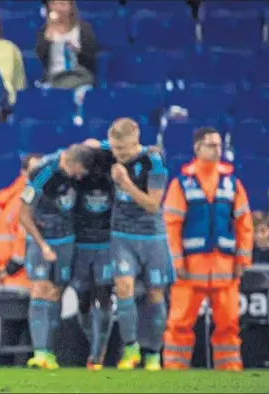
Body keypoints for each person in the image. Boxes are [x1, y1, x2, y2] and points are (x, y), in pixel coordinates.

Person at [163, 127, 253, 371]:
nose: (217, 150)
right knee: (179, 323)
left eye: (219, 145)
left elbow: (244, 223)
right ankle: (173, 370)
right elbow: (171, 225)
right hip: (190, 269)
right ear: (197, 148)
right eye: (211, 145)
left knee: (229, 324)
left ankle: (230, 370)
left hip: (225, 269)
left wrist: (243, 260)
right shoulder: (181, 183)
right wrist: (177, 262)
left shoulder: (232, 183)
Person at [85, 118, 171, 371]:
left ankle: (154, 352)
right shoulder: (112, 152)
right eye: (114, 149)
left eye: (122, 150)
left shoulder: (153, 162)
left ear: (136, 139)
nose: (118, 155)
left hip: (151, 237)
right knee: (123, 288)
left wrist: (126, 184)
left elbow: (154, 205)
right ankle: (131, 347)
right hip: (122, 235)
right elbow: (89, 144)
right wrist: (95, 146)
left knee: (156, 295)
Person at [19, 144, 98, 369]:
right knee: (39, 290)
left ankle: (49, 352)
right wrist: (43, 245)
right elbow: (23, 214)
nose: (80, 177)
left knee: (56, 292)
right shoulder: (42, 172)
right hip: (41, 239)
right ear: (70, 163)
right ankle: (40, 352)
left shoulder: (78, 169)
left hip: (67, 239)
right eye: (78, 171)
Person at [0, 153, 42, 367]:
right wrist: (7, 269)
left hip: (7, 280)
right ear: (24, 172)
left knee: (8, 341)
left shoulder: (8, 199)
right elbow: (21, 240)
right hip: (23, 279)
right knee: (24, 343)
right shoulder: (26, 200)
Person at [70, 147, 115, 370]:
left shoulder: (112, 180)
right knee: (83, 301)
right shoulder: (77, 180)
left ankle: (97, 353)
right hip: (81, 245)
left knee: (104, 297)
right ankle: (95, 343)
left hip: (105, 245)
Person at [36, 0, 97, 89]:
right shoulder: (44, 30)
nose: (58, 8)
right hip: (53, 77)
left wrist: (77, 51)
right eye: (53, 4)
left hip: (78, 76)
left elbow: (91, 58)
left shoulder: (83, 29)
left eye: (62, 4)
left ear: (71, 6)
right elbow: (42, 59)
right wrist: (47, 37)